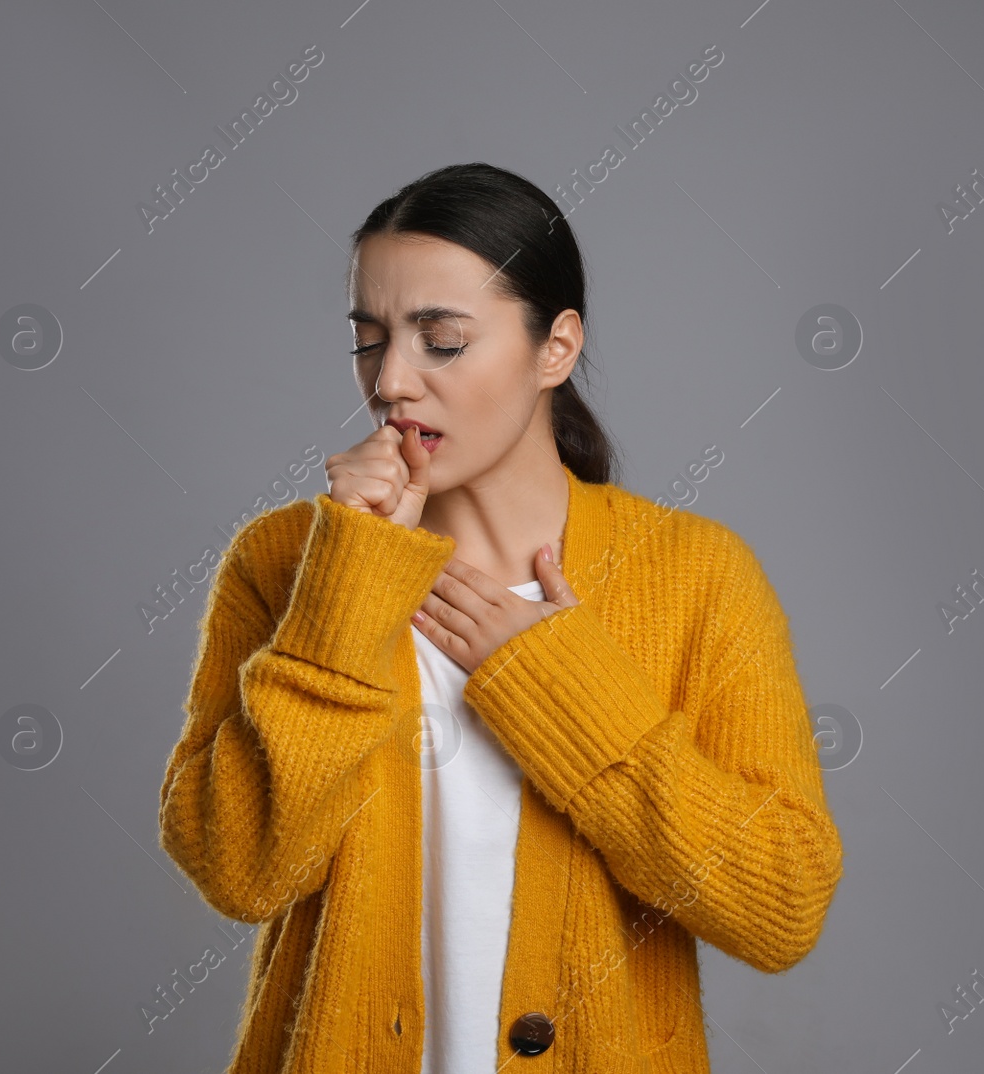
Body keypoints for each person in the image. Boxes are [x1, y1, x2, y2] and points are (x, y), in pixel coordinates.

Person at [157, 161, 844, 1074]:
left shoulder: (695, 576)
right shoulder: (289, 561)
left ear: (554, 348)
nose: (392, 381)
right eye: (370, 340)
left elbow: (781, 906)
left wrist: (558, 686)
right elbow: (240, 869)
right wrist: (348, 584)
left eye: (441, 341)